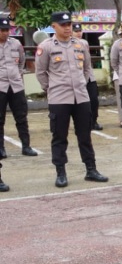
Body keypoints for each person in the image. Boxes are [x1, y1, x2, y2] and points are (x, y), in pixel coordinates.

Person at [35, 11, 108, 188]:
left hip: (81, 97)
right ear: (54, 26)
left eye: (69, 24)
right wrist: (51, 89)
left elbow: (87, 68)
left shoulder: (81, 44)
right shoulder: (46, 47)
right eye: (63, 25)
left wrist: (81, 84)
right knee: (59, 137)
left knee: (85, 135)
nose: (67, 28)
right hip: (59, 99)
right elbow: (41, 73)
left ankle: (91, 170)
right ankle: (61, 172)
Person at [0, 15, 38, 158]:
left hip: (16, 86)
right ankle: (1, 149)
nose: (5, 33)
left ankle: (26, 146)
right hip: (0, 87)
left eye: (7, 30)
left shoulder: (15, 44)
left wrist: (17, 74)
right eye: (2, 30)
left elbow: (21, 61)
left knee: (21, 117)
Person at [71, 23, 103, 131]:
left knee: (94, 100)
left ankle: (94, 121)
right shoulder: (67, 45)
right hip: (76, 78)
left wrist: (86, 78)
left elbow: (87, 62)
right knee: (79, 103)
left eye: (80, 31)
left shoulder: (84, 43)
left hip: (88, 77)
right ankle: (82, 122)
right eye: (76, 31)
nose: (78, 33)